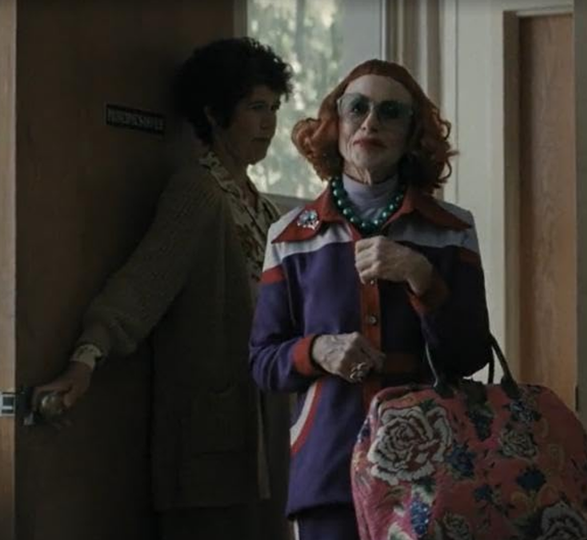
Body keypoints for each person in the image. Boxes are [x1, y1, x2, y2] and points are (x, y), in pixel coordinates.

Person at [33, 37, 293, 540]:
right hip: (212, 433)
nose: (268, 123)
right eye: (255, 108)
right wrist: (85, 358)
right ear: (215, 114)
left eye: (274, 108)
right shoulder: (199, 192)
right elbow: (142, 284)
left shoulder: (263, 208)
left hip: (266, 425)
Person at [249, 59, 492, 540]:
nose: (370, 122)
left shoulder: (452, 231)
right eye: (356, 108)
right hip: (327, 473)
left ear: (413, 134)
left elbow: (470, 355)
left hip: (431, 476)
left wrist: (422, 277)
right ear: (335, 124)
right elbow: (262, 361)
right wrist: (318, 350)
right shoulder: (289, 235)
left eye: (390, 112)